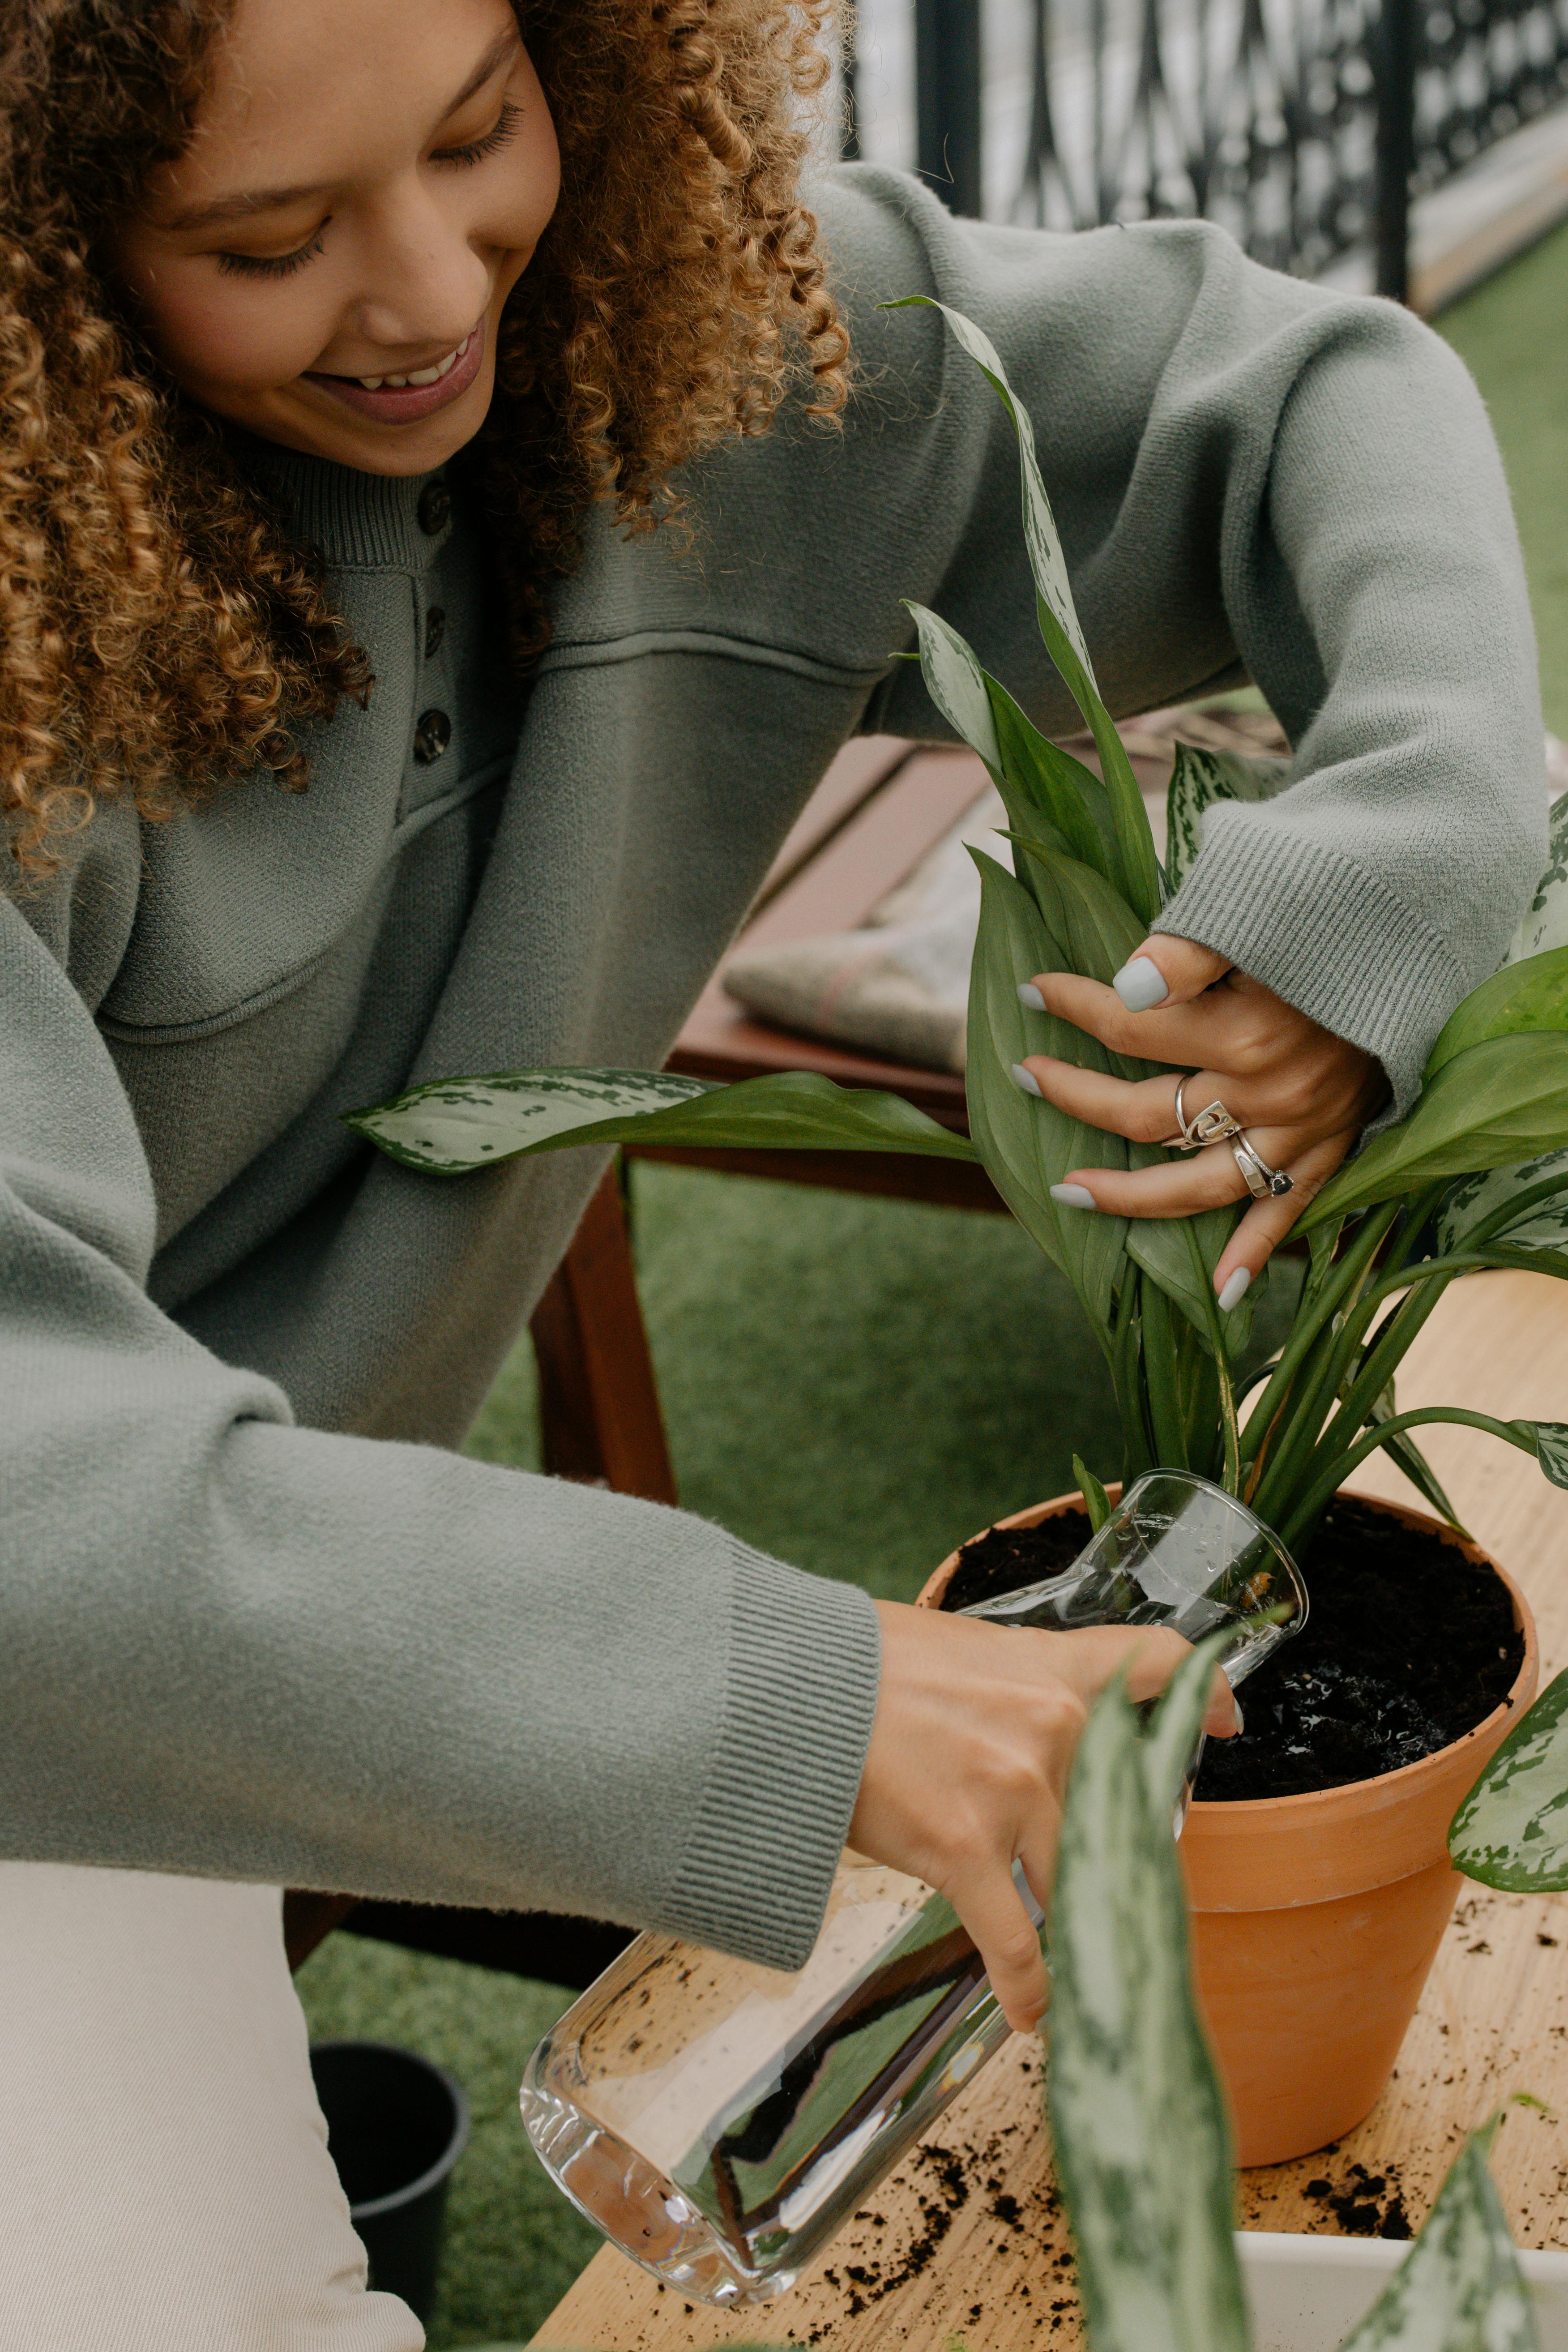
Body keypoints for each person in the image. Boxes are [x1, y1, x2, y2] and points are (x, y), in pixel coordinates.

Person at [0, 0, 1545, 2340]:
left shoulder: (684, 348)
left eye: (480, 128)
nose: (427, 289)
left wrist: (1393, 864)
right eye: (270, 238)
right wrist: (801, 1704)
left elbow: (1302, 393)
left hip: (229, 1645)